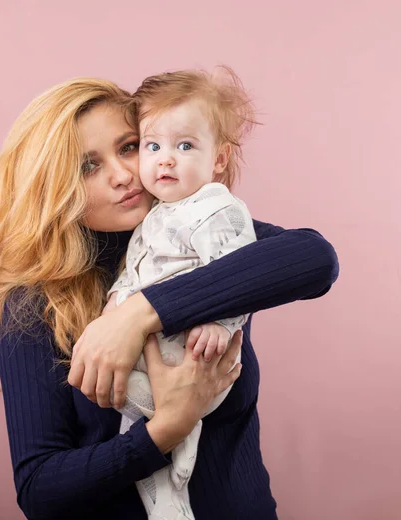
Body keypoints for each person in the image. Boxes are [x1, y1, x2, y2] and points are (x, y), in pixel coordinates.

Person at [0, 74, 339, 520]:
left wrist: (136, 315)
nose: (123, 174)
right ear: (54, 189)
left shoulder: (202, 235)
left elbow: (315, 258)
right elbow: (40, 490)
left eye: (129, 146)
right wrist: (164, 430)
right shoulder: (34, 306)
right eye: (88, 166)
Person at [105, 67, 259, 520]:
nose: (165, 160)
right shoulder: (155, 213)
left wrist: (220, 323)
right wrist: (117, 304)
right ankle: (168, 496)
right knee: (133, 429)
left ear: (218, 159)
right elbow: (134, 270)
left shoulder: (217, 209)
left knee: (136, 409)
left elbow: (237, 275)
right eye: (152, 146)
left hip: (196, 356)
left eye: (184, 146)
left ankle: (180, 444)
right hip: (160, 356)